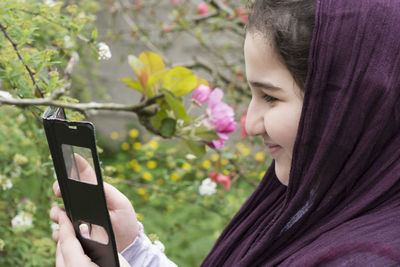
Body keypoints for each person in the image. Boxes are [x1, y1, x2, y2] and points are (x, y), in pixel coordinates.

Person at [50, 0, 400, 265]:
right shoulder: (318, 204)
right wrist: (134, 250)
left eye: (271, 97)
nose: (248, 124)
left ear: (348, 104)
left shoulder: (370, 258)